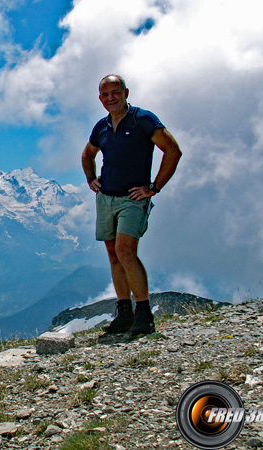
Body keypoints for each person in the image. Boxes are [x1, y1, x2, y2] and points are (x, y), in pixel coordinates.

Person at [81, 74, 182, 337]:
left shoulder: (143, 119)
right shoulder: (101, 127)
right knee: (114, 255)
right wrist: (91, 179)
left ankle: (144, 315)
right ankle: (124, 312)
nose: (111, 98)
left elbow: (172, 150)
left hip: (132, 199)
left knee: (126, 252)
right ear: (100, 98)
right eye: (105, 94)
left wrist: (154, 187)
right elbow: (88, 154)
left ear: (126, 92)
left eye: (115, 92)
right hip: (106, 198)